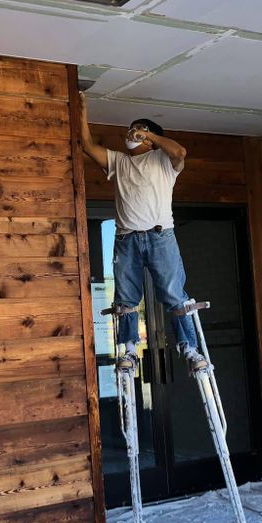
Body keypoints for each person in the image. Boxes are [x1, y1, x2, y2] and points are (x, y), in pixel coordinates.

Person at [77, 92, 208, 373]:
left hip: (161, 236)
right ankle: (128, 349)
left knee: (174, 294)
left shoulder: (163, 159)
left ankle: (190, 349)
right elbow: (87, 146)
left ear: (150, 138)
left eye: (139, 130)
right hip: (127, 238)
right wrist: (82, 109)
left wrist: (150, 135)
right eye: (131, 130)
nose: (131, 133)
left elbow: (180, 152)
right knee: (125, 297)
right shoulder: (119, 161)